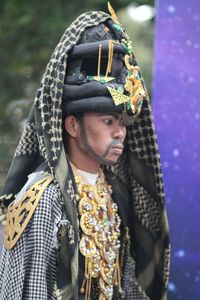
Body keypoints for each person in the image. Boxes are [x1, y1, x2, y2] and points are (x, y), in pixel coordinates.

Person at [0, 3, 170, 300]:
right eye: (108, 121)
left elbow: (125, 285)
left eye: (123, 122)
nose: (120, 132)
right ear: (72, 126)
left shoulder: (113, 191)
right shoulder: (43, 202)